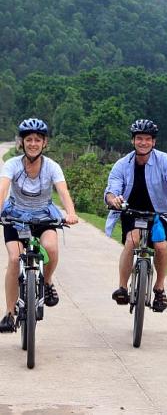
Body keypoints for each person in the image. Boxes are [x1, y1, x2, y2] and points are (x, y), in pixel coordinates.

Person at [0, 118, 78, 333]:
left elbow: (63, 191)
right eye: (29, 140)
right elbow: (3, 188)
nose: (33, 144)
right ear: (21, 143)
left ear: (45, 143)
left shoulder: (52, 166)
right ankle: (8, 313)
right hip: (15, 217)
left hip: (43, 216)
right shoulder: (12, 164)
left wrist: (70, 213)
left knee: (51, 249)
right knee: (15, 259)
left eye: (37, 140)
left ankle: (47, 281)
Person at [104, 119, 167, 313]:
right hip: (131, 212)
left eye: (147, 139)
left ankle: (159, 287)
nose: (143, 142)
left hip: (159, 213)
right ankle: (123, 288)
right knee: (132, 241)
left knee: (160, 245)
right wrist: (113, 200)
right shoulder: (122, 164)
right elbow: (111, 189)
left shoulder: (164, 160)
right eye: (139, 138)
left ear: (154, 142)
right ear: (133, 141)